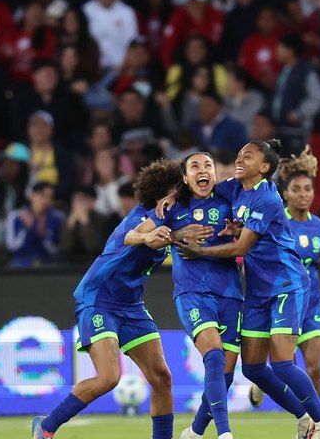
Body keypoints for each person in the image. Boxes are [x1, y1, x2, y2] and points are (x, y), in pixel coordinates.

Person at [168, 140, 320, 439]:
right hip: (257, 290)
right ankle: (302, 417)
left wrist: (200, 252)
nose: (239, 158)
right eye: (239, 154)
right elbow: (199, 189)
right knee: (253, 369)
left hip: (286, 283)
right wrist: (167, 199)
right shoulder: (234, 188)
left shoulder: (268, 199)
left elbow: (242, 246)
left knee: (283, 364)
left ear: (263, 168)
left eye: (247, 156)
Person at [31, 159, 199, 439]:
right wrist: (151, 238)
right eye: (177, 189)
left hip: (131, 305)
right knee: (109, 378)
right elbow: (140, 235)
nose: (182, 194)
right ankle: (46, 426)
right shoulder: (142, 218)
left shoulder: (173, 218)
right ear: (162, 195)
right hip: (99, 299)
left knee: (162, 377)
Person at [129, 152, 241, 439]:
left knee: (225, 374)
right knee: (214, 355)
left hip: (231, 293)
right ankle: (225, 433)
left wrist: (236, 232)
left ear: (215, 174)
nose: (202, 171)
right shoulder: (172, 207)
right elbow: (132, 235)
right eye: (195, 166)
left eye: (207, 166)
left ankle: (195, 431)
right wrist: (170, 236)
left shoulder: (230, 200)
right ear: (185, 177)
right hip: (193, 293)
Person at [257, 147, 320, 398]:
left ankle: (315, 427)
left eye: (307, 189)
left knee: (314, 369)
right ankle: (260, 377)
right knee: (286, 369)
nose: (303, 195)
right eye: (296, 189)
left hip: (311, 304)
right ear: (284, 194)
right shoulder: (274, 223)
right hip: (281, 303)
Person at [272, 35, 320, 156]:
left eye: (280, 47)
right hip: (281, 128)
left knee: (295, 168)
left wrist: (300, 113)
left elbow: (317, 97)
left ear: (291, 50)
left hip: (297, 130)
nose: (277, 51)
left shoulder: (306, 71)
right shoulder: (284, 70)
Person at [161, 0, 224, 67]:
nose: (193, 4)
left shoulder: (216, 16)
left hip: (210, 65)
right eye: (191, 0)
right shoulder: (179, 15)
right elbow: (167, 45)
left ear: (205, 2)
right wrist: (170, 67)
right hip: (184, 65)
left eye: (197, 1)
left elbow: (214, 44)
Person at [5, 181, 65, 267]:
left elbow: (57, 251)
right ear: (32, 196)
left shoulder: (58, 217)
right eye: (42, 196)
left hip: (48, 265)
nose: (46, 201)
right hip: (21, 263)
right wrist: (29, 229)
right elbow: (12, 247)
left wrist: (42, 234)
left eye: (50, 197)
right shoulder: (15, 216)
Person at [83, 0, 139, 69]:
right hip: (93, 65)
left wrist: (124, 64)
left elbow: (132, 40)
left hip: (119, 65)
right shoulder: (87, 9)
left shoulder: (127, 12)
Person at [59, 185, 108, 260]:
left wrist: (85, 223)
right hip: (68, 264)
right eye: (77, 200)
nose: (79, 205)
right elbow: (64, 249)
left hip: (93, 261)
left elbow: (94, 247)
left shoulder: (100, 219)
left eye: (82, 201)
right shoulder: (65, 218)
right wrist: (69, 226)